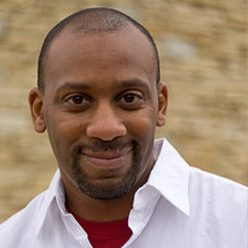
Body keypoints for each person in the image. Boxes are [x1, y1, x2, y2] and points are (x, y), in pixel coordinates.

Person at [0, 7, 247, 248]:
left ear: (160, 105)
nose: (106, 128)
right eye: (78, 100)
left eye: (129, 98)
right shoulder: (10, 240)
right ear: (38, 110)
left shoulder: (238, 223)